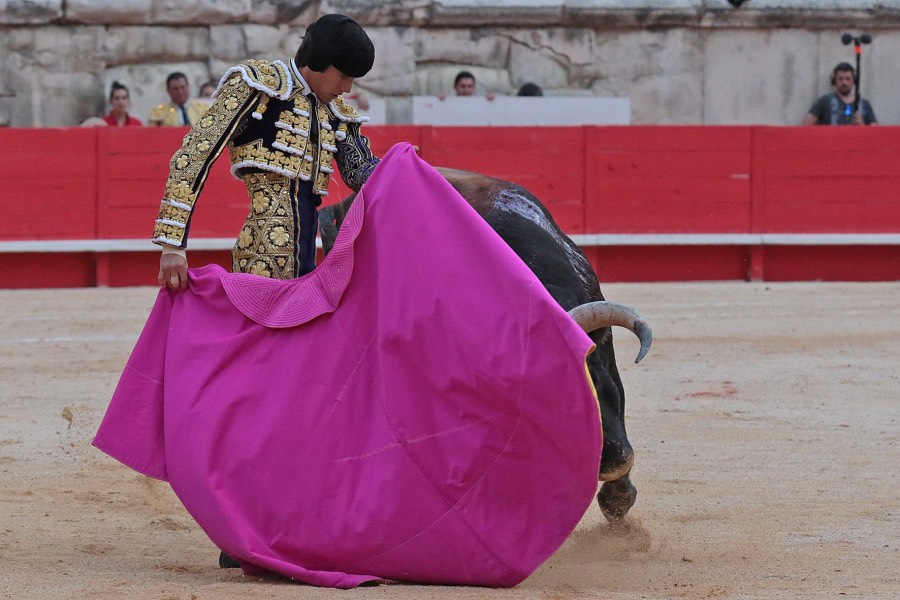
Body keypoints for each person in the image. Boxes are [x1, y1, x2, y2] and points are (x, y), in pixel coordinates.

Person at [154, 13, 380, 290]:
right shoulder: (258, 86)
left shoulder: (336, 110)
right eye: (344, 75)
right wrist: (172, 245)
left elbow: (363, 172)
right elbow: (194, 154)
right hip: (261, 259)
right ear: (321, 61)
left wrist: (406, 167)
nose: (347, 88)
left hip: (309, 256)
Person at [802, 62, 877, 126]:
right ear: (834, 80)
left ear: (854, 81)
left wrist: (862, 125)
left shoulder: (865, 104)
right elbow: (805, 127)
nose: (844, 82)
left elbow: (876, 133)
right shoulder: (824, 101)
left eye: (847, 79)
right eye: (840, 79)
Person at [147, 72, 211, 126]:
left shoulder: (203, 109)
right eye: (175, 89)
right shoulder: (158, 113)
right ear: (168, 90)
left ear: (188, 86)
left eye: (182, 87)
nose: (180, 92)